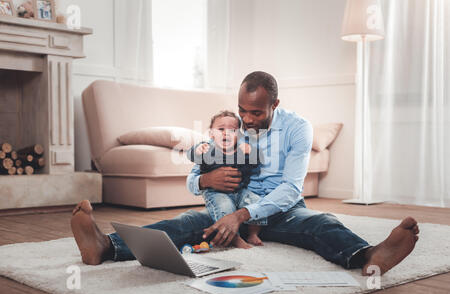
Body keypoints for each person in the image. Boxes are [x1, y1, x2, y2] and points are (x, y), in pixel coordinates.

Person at [71, 71, 420, 277]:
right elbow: (197, 175)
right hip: (233, 205)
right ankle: (105, 248)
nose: (247, 120)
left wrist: (241, 216)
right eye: (242, 110)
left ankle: (369, 255)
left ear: (275, 106)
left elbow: (290, 189)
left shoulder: (298, 129)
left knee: (321, 223)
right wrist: (206, 182)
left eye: (256, 112)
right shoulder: (232, 129)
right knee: (187, 221)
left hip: (279, 210)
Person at [186, 110, 265, 248]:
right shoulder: (207, 148)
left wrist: (251, 152)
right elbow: (192, 155)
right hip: (216, 193)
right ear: (211, 134)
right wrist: (197, 149)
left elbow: (257, 162)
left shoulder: (242, 149)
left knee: (257, 202)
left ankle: (253, 233)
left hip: (240, 192)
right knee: (224, 207)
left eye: (232, 130)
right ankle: (234, 238)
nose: (226, 133)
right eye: (221, 129)